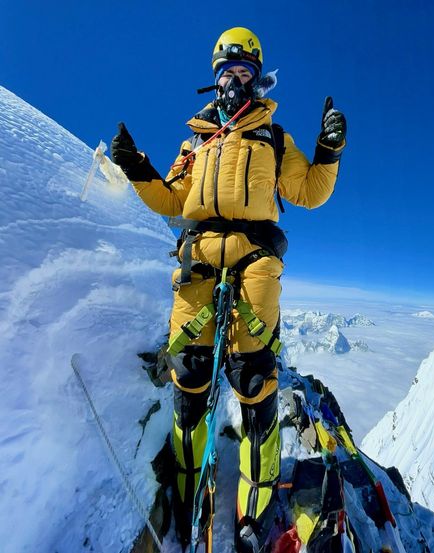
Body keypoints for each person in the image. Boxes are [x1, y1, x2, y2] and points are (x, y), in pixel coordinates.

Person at [110, 26, 346, 551]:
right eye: (227, 72)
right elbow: (173, 200)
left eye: (244, 73)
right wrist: (136, 166)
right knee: (189, 379)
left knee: (255, 381)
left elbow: (308, 191)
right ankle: (186, 490)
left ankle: (256, 508)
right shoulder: (195, 141)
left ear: (258, 79)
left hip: (255, 262)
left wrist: (328, 148)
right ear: (214, 79)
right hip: (197, 263)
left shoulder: (273, 137)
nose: (235, 80)